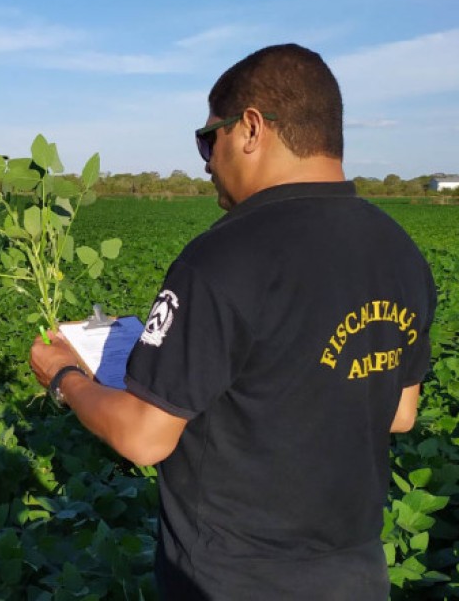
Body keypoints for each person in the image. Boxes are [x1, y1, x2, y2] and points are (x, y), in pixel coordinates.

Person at [29, 43, 437, 599]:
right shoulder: (398, 249)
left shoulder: (222, 258)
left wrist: (63, 377)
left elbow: (144, 438)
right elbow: (400, 412)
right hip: (356, 573)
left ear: (249, 129)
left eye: (207, 138)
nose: (205, 160)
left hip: (231, 578)